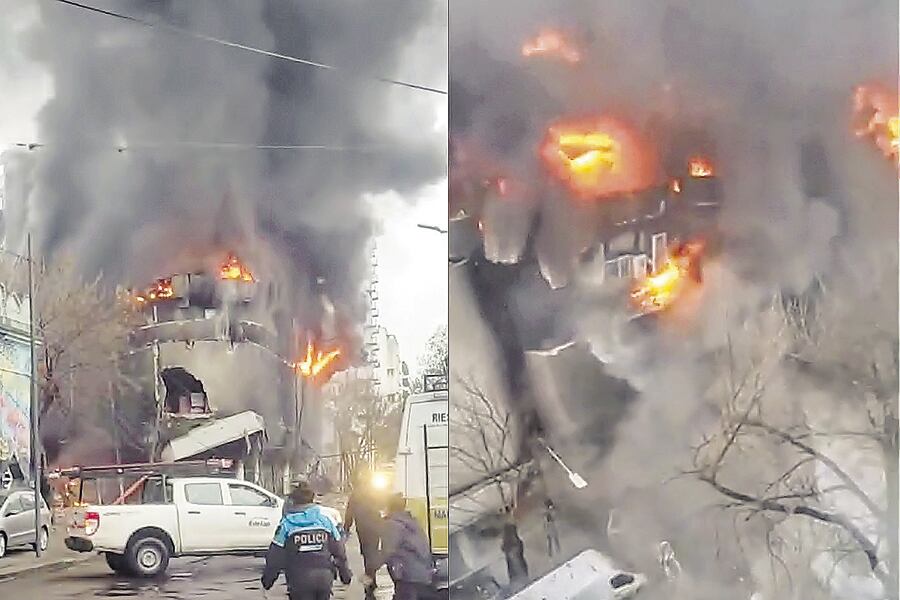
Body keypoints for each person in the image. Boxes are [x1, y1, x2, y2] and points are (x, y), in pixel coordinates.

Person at [262, 482, 352, 600]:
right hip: (324, 579)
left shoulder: (287, 525)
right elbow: (339, 552)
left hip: (299, 580)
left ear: (293, 502)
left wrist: (268, 580)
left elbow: (275, 556)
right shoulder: (326, 521)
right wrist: (345, 575)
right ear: (312, 500)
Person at [373, 493, 434, 600]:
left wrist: (370, 571)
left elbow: (387, 551)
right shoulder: (411, 522)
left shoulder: (393, 524)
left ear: (389, 507)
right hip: (422, 573)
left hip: (407, 576)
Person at [344, 471, 384, 600]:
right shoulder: (376, 492)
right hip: (375, 526)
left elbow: (349, 512)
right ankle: (372, 578)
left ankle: (370, 579)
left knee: (367, 553)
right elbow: (383, 506)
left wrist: (346, 527)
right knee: (372, 552)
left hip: (363, 528)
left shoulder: (355, 494)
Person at [501, 506, 528, 590]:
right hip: (514, 550)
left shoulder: (520, 578)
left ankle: (507, 515)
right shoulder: (519, 579)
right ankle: (508, 515)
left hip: (514, 550)